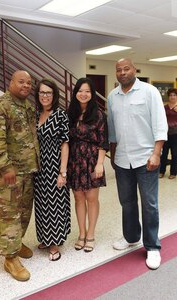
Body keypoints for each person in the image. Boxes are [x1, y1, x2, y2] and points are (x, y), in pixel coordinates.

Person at [107, 58, 168, 270]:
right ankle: (131, 237)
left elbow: (160, 124)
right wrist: (113, 155)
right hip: (123, 159)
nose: (122, 72)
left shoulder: (149, 92)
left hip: (146, 158)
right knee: (127, 202)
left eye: (126, 68)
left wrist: (157, 153)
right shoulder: (112, 96)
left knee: (149, 204)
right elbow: (113, 130)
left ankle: (152, 246)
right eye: (119, 70)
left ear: (135, 70)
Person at [0, 70, 39, 281]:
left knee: (24, 212)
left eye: (29, 83)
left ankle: (17, 243)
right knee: (9, 214)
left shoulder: (28, 108)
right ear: (11, 82)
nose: (26, 85)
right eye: (21, 82)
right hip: (7, 175)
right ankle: (10, 259)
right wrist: (5, 168)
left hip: (26, 171)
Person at [67, 77, 109, 253]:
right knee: (78, 198)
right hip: (74, 160)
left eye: (87, 91)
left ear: (91, 94)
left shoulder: (98, 114)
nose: (83, 94)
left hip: (92, 160)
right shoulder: (70, 113)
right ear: (75, 93)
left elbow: (103, 141)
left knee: (91, 199)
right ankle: (81, 233)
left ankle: (91, 234)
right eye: (80, 91)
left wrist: (100, 164)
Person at [34, 78, 70, 261]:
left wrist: (62, 172)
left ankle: (54, 244)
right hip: (38, 168)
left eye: (48, 93)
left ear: (54, 95)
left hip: (54, 166)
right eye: (42, 92)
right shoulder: (35, 114)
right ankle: (45, 239)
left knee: (54, 204)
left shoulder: (60, 115)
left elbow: (65, 144)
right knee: (41, 205)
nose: (45, 96)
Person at [159, 88, 177, 179]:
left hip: (175, 134)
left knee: (175, 154)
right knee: (164, 153)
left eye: (174, 95)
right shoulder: (164, 107)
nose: (172, 97)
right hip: (165, 134)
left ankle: (173, 172)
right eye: (170, 95)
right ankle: (161, 171)